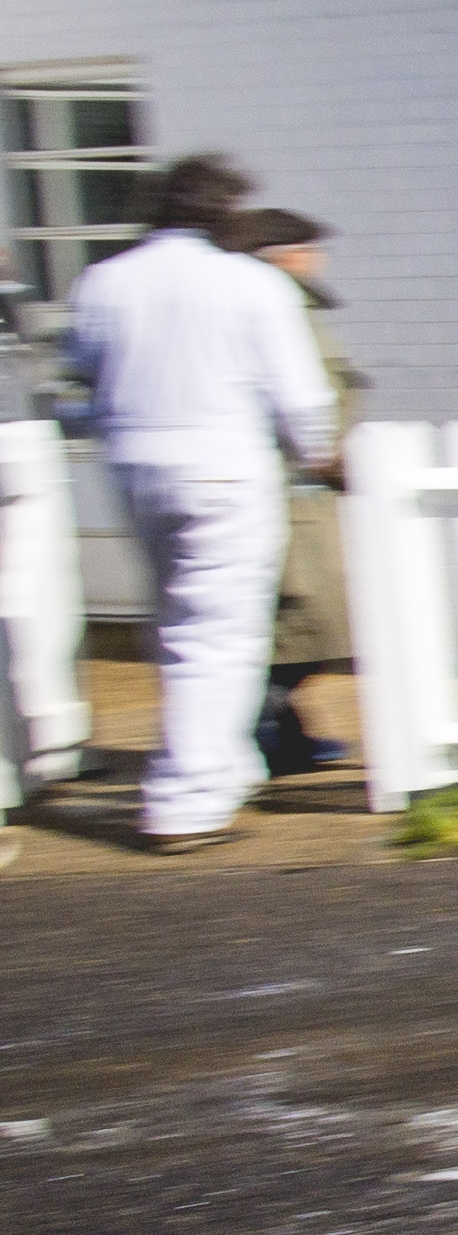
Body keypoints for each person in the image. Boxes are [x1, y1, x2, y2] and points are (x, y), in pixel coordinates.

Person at [62, 156, 338, 853]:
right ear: (221, 214)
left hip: (136, 471)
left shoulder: (103, 280)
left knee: (179, 623)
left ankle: (230, 767)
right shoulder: (250, 282)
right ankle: (187, 803)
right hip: (225, 469)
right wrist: (320, 455)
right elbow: (301, 396)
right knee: (220, 635)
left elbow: (82, 377)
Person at [227, 209, 362, 776]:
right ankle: (268, 735)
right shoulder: (278, 311)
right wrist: (326, 457)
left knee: (307, 625)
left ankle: (280, 732)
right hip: (292, 487)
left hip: (305, 488)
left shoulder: (293, 307)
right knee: (297, 623)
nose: (318, 260)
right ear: (283, 256)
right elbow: (303, 400)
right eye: (309, 249)